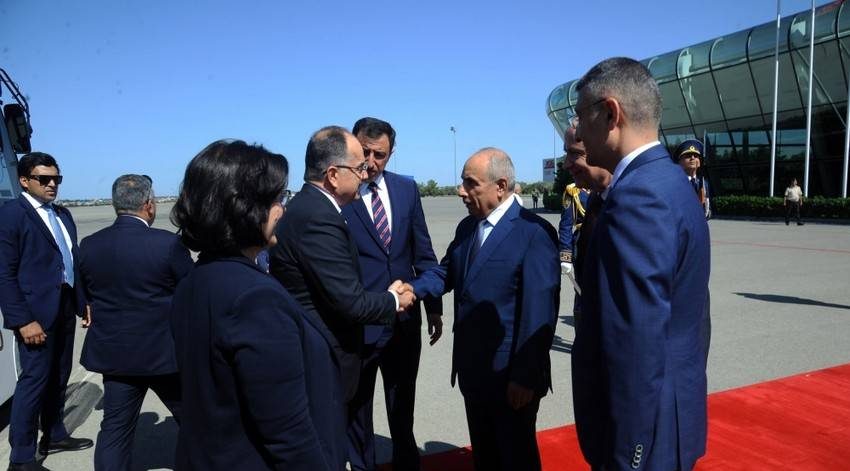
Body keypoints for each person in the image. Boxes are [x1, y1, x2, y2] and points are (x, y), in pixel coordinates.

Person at [169, 140, 345, 470]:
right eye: (277, 199)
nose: (283, 210)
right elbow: (287, 432)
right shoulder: (255, 298)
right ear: (245, 208)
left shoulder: (195, 280)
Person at [571, 57, 711, 471]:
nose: (578, 131)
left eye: (581, 115)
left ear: (610, 114)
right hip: (668, 417)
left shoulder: (637, 197)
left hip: (643, 438)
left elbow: (637, 339)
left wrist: (630, 453)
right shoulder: (671, 181)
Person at [400, 148, 560, 471]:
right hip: (473, 373)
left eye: (470, 183)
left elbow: (539, 312)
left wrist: (525, 376)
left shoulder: (534, 233)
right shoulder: (467, 228)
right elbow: (446, 272)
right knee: (485, 458)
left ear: (500, 186)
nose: (461, 190)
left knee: (516, 460)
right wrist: (412, 289)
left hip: (511, 379)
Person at [268, 126, 415, 407]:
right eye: (359, 168)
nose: (365, 175)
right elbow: (352, 303)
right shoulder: (318, 219)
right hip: (323, 359)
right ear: (333, 175)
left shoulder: (309, 207)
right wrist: (396, 299)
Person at [342, 118, 442, 471]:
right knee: (357, 410)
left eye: (379, 154)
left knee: (402, 404)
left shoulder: (406, 189)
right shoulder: (340, 193)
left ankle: (406, 462)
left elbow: (423, 253)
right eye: (364, 152)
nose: (371, 161)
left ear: (391, 153)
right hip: (359, 323)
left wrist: (433, 307)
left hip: (403, 322)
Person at [78, 174, 193, 471]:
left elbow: (84, 296)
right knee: (195, 422)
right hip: (165, 356)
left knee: (114, 431)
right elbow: (192, 291)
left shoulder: (90, 245)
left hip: (117, 358)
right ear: (149, 204)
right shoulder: (168, 244)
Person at [0, 152, 93, 471]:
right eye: (44, 179)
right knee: (34, 382)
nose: (52, 184)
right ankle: (21, 458)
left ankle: (54, 434)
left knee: (59, 375)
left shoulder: (62, 214)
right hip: (34, 313)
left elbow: (71, 261)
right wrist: (23, 320)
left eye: (56, 178)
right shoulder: (12, 215)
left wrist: (83, 301)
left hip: (64, 306)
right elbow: (4, 273)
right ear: (25, 181)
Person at [559, 122, 611, 327]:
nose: (566, 164)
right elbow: (566, 224)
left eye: (574, 153)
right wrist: (565, 255)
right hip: (581, 242)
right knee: (581, 295)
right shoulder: (574, 190)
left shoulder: (623, 194)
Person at [674, 139, 711, 219]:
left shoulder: (703, 183)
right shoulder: (675, 184)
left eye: (696, 156)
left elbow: (707, 206)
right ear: (679, 162)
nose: (692, 158)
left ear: (699, 162)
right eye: (688, 156)